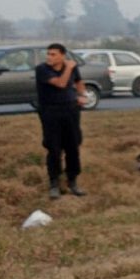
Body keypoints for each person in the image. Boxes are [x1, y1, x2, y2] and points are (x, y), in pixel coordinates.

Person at [35, 43, 88, 199]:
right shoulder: (42, 69)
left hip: (70, 110)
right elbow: (61, 83)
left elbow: (78, 82)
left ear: (62, 55)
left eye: (53, 54)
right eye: (48, 54)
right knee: (54, 148)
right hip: (50, 111)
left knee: (73, 146)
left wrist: (82, 95)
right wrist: (69, 68)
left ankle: (72, 181)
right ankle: (54, 183)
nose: (49, 57)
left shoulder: (71, 68)